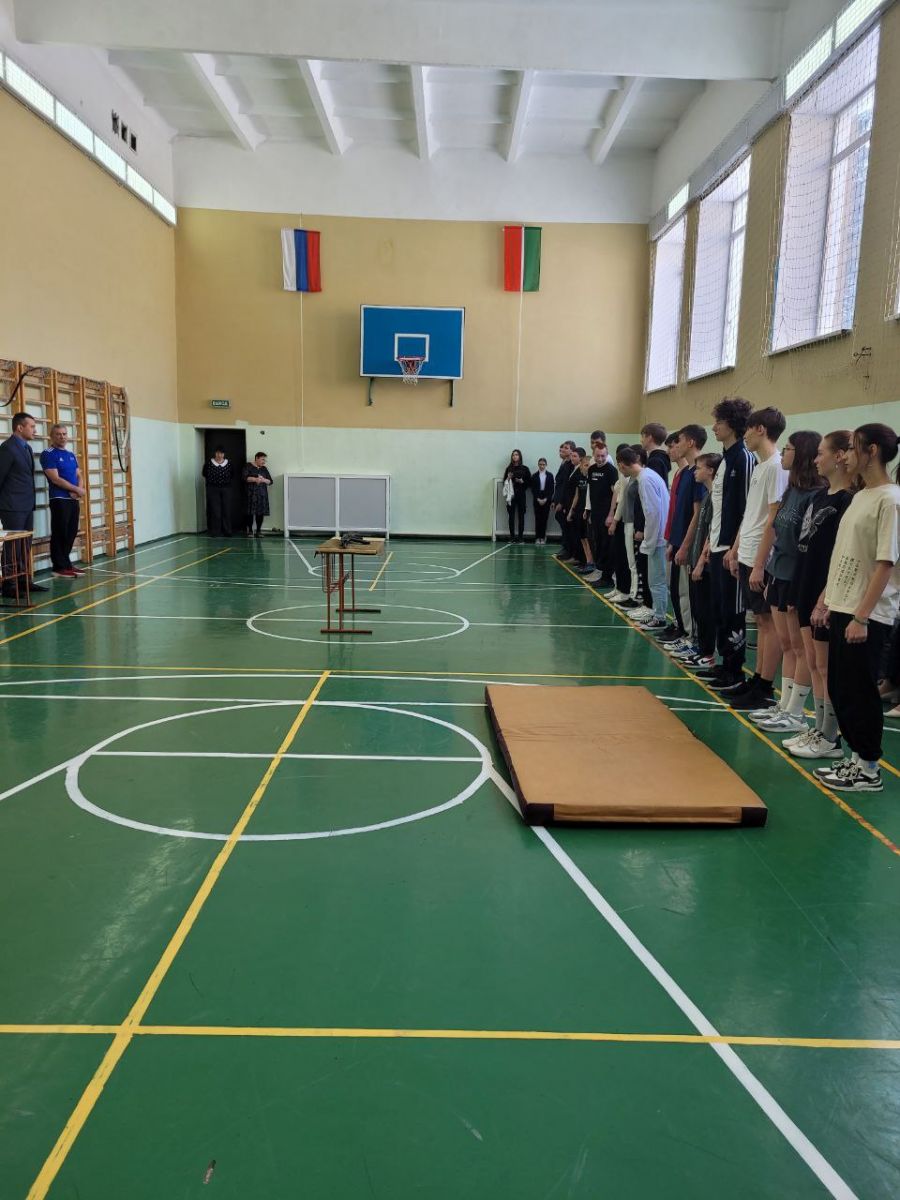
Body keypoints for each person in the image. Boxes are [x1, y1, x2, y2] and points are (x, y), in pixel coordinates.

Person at [813, 424, 900, 793]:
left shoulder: (890, 500)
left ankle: (868, 768)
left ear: (872, 451)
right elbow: (844, 553)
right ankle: (854, 759)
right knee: (841, 687)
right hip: (844, 606)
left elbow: (885, 563)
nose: (846, 455)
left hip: (867, 615)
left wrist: (862, 616)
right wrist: (829, 599)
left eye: (853, 448)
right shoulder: (862, 495)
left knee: (861, 692)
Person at [780, 431, 855, 759]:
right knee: (812, 662)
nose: (815, 459)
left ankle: (830, 737)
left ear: (839, 456)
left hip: (827, 591)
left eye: (821, 453)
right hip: (806, 584)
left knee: (825, 667)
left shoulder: (847, 501)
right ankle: (820, 728)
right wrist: (798, 588)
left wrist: (825, 596)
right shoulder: (819, 496)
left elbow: (840, 553)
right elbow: (805, 546)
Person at [748, 431, 824, 733]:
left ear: (802, 454)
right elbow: (777, 533)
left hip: (797, 578)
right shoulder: (791, 490)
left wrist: (799, 586)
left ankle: (796, 713)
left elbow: (809, 547)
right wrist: (767, 571)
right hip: (778, 573)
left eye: (789, 448)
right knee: (786, 644)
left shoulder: (816, 495)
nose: (784, 453)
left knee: (801, 648)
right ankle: (785, 706)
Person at [718, 407, 788, 711]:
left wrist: (760, 564)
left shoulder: (777, 467)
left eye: (748, 429)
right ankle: (756, 678)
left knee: (769, 623)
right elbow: (750, 514)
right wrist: (735, 549)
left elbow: (773, 519)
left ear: (761, 429)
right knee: (760, 621)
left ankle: (765, 686)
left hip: (762, 557)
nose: (744, 434)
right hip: (747, 553)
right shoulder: (760, 466)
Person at [694, 397, 755, 690]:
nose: (714, 427)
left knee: (733, 612)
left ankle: (735, 670)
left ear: (732, 423)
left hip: (732, 550)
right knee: (719, 609)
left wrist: (735, 548)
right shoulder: (725, 459)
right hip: (718, 547)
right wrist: (710, 543)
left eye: (718, 421)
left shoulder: (743, 458)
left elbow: (746, 509)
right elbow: (719, 509)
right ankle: (723, 663)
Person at [617, 445, 669, 630]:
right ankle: (658, 614)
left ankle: (660, 617)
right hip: (659, 536)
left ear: (622, 465)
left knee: (656, 581)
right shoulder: (648, 476)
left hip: (658, 539)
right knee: (656, 580)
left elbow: (653, 513)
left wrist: (650, 542)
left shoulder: (645, 480)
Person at [0, 411, 48, 596]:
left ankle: (23, 580)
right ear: (20, 427)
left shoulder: (26, 448)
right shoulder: (7, 448)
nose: (35, 430)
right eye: (32, 427)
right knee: (12, 546)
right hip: (12, 506)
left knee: (24, 544)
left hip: (26, 505)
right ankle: (9, 584)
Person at [40, 424, 86, 577]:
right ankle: (58, 567)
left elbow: (79, 475)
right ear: (52, 436)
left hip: (73, 499)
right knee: (60, 532)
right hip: (59, 498)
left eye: (64, 434)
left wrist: (78, 490)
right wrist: (75, 489)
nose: (62, 437)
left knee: (71, 531)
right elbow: (55, 478)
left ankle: (66, 563)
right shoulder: (48, 454)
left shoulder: (70, 454)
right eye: (58, 434)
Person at [586, 440, 618, 584]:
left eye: (603, 456)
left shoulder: (611, 470)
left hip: (606, 514)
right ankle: (598, 569)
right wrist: (590, 511)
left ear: (607, 455)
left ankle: (607, 575)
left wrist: (611, 514)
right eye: (598, 456)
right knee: (597, 542)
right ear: (593, 455)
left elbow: (615, 493)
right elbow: (591, 492)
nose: (600, 459)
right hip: (596, 513)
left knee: (606, 543)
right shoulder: (591, 469)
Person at [552, 440, 577, 558]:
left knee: (567, 526)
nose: (562, 449)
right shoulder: (564, 463)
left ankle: (568, 549)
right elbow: (559, 484)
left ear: (572, 451)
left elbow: (566, 486)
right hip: (559, 499)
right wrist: (554, 500)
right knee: (562, 523)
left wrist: (561, 502)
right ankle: (565, 547)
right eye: (562, 448)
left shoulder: (570, 465)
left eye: (566, 448)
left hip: (566, 501)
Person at [202, 446, 234, 537]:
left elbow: (232, 474)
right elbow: (204, 473)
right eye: (218, 453)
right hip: (213, 489)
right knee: (215, 511)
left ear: (224, 454)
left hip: (226, 489)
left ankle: (227, 531)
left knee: (226, 510)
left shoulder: (229, 463)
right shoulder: (209, 463)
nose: (220, 455)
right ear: (215, 453)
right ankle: (215, 531)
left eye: (221, 453)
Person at [243, 451, 273, 538]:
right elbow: (245, 478)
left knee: (260, 513)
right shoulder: (248, 466)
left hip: (261, 494)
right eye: (262, 459)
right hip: (250, 493)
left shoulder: (264, 469)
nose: (264, 462)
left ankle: (258, 531)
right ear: (257, 458)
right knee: (249, 512)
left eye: (265, 460)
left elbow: (270, 481)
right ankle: (250, 530)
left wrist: (263, 480)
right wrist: (255, 479)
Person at [503, 449, 531, 542]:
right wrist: (508, 478)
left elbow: (529, 483)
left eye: (516, 455)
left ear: (520, 456)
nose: (515, 456)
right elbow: (504, 482)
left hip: (521, 494)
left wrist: (522, 481)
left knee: (521, 516)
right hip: (511, 495)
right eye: (513, 455)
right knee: (511, 516)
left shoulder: (525, 468)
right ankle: (512, 537)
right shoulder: (509, 468)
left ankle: (520, 537)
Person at [531, 457, 554, 544]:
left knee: (544, 518)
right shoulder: (534, 476)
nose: (542, 466)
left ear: (546, 465)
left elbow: (551, 489)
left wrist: (546, 499)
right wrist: (537, 498)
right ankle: (537, 537)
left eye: (543, 464)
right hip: (537, 498)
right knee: (538, 518)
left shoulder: (550, 475)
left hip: (546, 498)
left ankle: (543, 537)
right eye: (540, 464)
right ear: (538, 465)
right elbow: (533, 489)